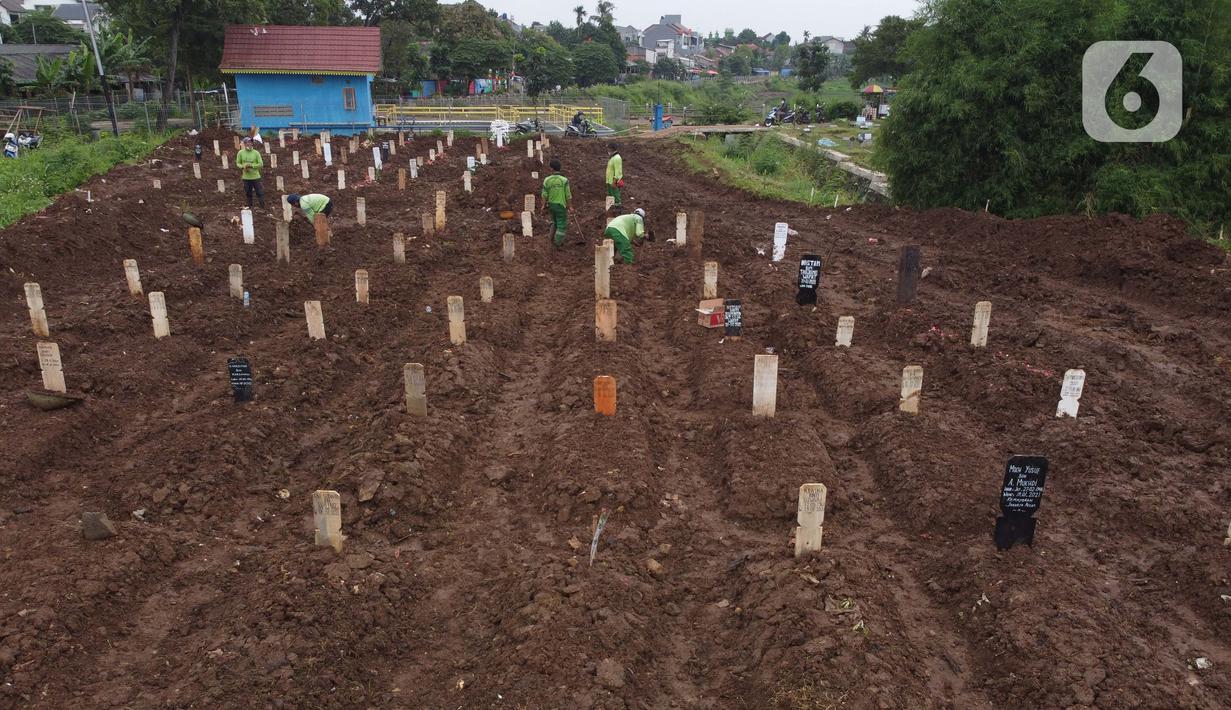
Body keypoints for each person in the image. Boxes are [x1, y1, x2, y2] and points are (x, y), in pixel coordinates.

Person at [540, 159, 572, 248]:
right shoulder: (564, 180)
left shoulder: (547, 180)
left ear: (551, 169)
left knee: (554, 222)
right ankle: (557, 243)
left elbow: (544, 195)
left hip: (551, 205)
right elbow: (568, 195)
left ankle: (550, 239)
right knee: (561, 224)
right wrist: (570, 207)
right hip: (561, 205)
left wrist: (543, 206)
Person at [236, 137, 265, 208]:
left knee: (259, 192)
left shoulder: (256, 153)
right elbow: (238, 163)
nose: (249, 144)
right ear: (244, 144)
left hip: (255, 177)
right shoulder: (240, 153)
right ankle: (250, 206)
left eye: (250, 142)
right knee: (248, 193)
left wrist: (252, 166)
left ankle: (262, 207)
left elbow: (260, 164)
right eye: (247, 142)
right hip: (246, 177)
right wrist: (243, 167)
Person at [605, 143, 623, 210]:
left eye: (608, 148)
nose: (607, 150)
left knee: (616, 197)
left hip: (613, 182)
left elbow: (618, 172)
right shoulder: (612, 157)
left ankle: (618, 211)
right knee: (610, 197)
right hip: (609, 181)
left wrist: (614, 182)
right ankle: (611, 211)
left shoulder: (617, 158)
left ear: (611, 148)